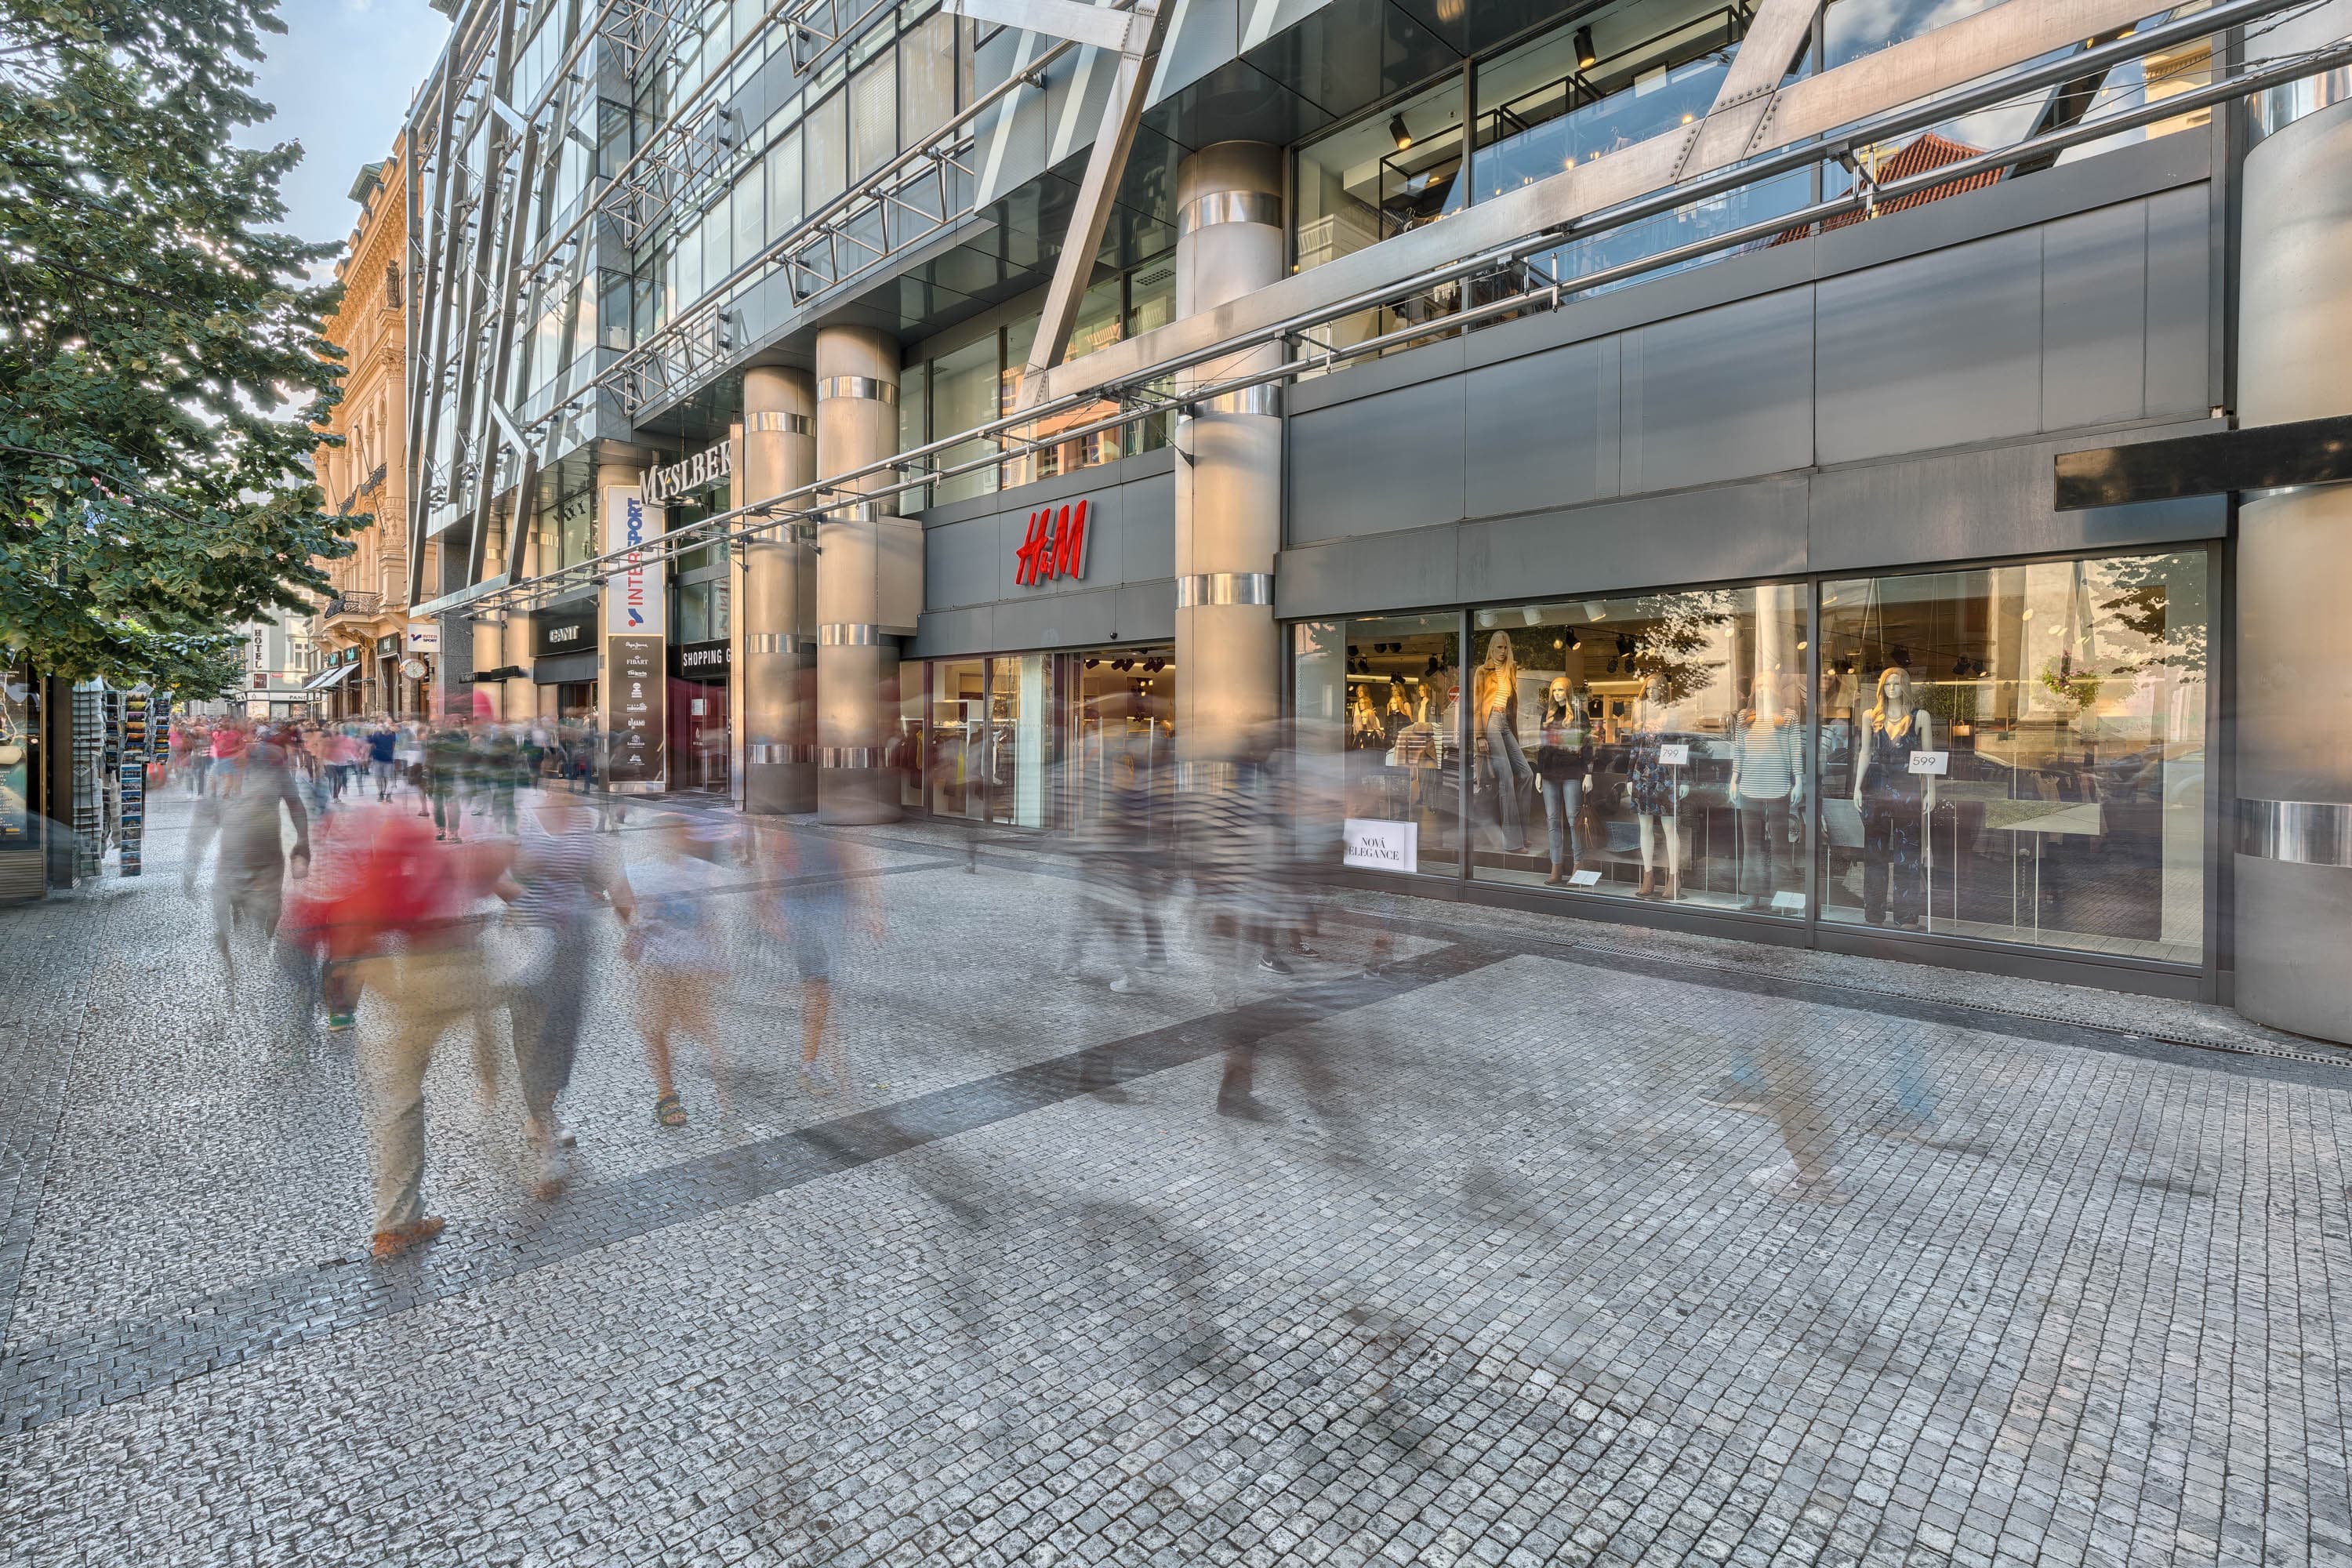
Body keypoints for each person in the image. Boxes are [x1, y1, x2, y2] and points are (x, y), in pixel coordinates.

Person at [344, 805, 510, 1259]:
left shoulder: (379, 861)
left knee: (398, 1101)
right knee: (504, 1051)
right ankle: (535, 1137)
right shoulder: (434, 850)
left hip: (396, 977)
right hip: (447, 966)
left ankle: (395, 1225)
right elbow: (477, 892)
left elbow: (357, 928)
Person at [497, 779, 633, 1196]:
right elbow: (494, 877)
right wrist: (533, 904)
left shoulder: (584, 825)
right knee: (532, 1037)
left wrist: (636, 927)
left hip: (573, 949)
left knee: (561, 1037)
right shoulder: (522, 823)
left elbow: (613, 878)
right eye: (553, 786)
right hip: (527, 947)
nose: (561, 792)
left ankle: (543, 1114)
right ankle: (546, 1138)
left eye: (568, 787)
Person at [184, 727, 310, 994]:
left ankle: (263, 944)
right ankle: (232, 970)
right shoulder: (220, 774)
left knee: (271, 908)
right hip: (233, 858)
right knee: (229, 916)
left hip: (268, 858)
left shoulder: (275, 772)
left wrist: (303, 842)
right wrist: (191, 868)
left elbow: (296, 805)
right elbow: (204, 821)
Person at [756, 820, 877, 1096]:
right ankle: (811, 1066)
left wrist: (869, 905)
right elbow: (772, 849)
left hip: (828, 901)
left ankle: (814, 1065)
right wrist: (769, 902)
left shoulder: (830, 811)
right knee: (820, 987)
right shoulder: (791, 808)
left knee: (823, 988)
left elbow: (853, 854)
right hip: (802, 903)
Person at [626, 815, 732, 1127]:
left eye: (681, 834)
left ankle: (726, 1097)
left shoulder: (701, 872)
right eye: (669, 834)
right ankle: (666, 1093)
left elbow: (711, 919)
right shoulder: (640, 873)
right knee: (655, 1029)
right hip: (655, 966)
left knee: (706, 1031)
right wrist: (634, 934)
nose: (677, 839)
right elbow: (627, 907)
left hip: (692, 964)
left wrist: (718, 959)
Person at [367, 717, 398, 801]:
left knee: (388, 777)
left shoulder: (392, 735)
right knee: (379, 777)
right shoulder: (377, 734)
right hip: (379, 758)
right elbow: (370, 742)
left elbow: (394, 745)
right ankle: (381, 793)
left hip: (387, 759)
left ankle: (388, 794)